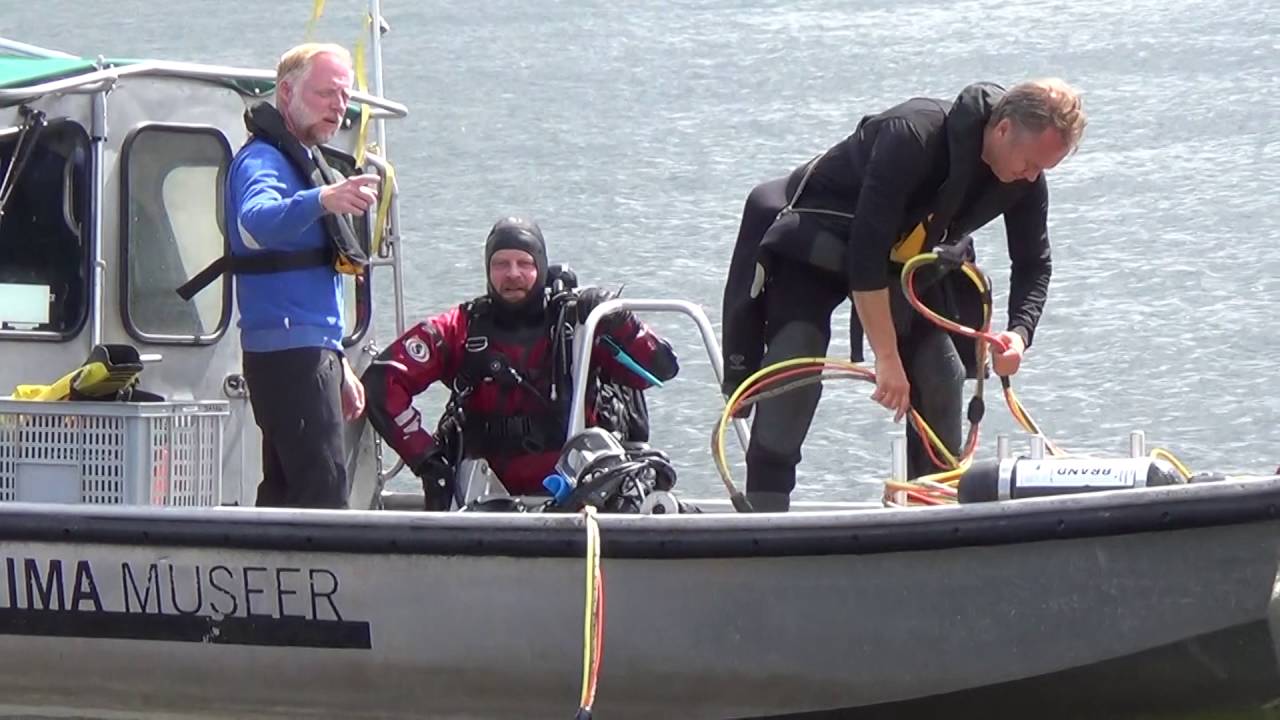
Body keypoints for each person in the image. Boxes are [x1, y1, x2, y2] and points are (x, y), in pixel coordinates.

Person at [720, 79, 1087, 512]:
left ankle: (931, 511)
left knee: (941, 375)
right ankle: (764, 515)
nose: (1031, 176)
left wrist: (1019, 335)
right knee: (794, 362)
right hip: (821, 244)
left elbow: (1033, 263)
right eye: (1029, 163)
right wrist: (887, 357)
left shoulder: (1024, 178)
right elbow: (866, 254)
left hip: (903, 261)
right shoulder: (913, 135)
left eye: (1042, 169)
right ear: (1003, 128)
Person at [363, 217, 680, 509]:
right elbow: (382, 382)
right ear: (488, 270)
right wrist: (427, 461)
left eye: (524, 263)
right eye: (501, 264)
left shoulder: (579, 327)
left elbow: (660, 370)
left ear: (540, 268)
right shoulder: (460, 328)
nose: (512, 273)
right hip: (485, 496)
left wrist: (621, 322)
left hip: (583, 493)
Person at [181, 43, 380, 508]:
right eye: (327, 93)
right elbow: (256, 222)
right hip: (288, 356)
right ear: (287, 91)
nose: (338, 105)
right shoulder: (262, 161)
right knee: (322, 493)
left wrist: (339, 360)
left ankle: (270, 572)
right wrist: (323, 200)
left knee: (288, 490)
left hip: (310, 349)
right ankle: (331, 578)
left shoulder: (304, 161)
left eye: (345, 97)